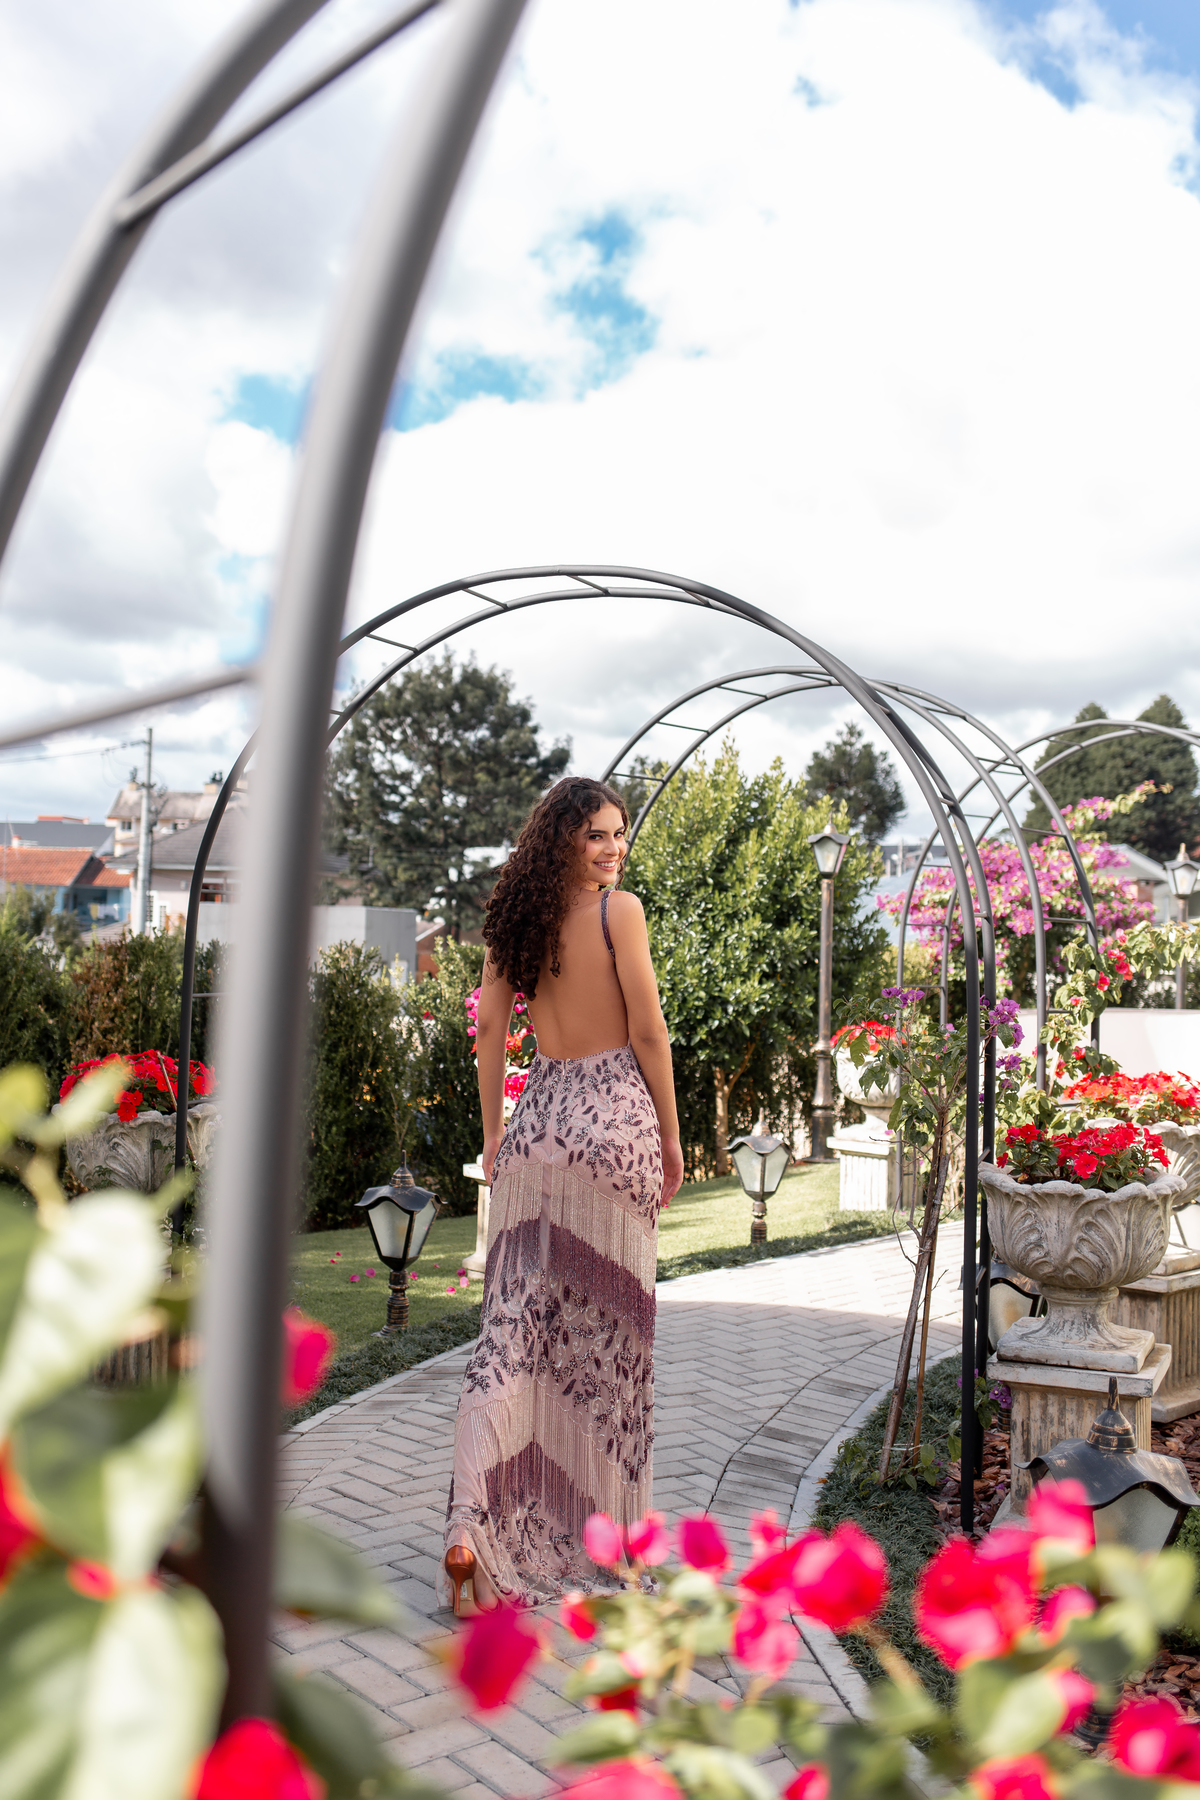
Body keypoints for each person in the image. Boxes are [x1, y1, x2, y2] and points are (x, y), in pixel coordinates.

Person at [440, 777, 683, 1614]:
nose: (613, 849)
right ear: (564, 842)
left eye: (618, 834)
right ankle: (604, 1540)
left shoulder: (517, 920)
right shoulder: (621, 913)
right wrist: (676, 1138)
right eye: (597, 837)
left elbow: (490, 1034)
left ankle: (470, 1525)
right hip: (616, 1130)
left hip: (540, 1129)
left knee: (510, 1337)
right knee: (607, 1341)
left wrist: (494, 1135)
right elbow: (648, 1032)